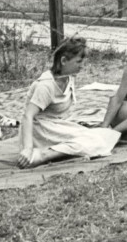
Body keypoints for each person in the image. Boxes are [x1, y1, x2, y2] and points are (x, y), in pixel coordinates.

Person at [18, 37, 120, 168]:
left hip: (54, 126)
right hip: (40, 130)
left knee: (104, 136)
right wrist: (27, 148)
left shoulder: (68, 77)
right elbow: (28, 116)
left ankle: (57, 152)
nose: (82, 65)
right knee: (94, 141)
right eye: (78, 61)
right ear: (64, 61)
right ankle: (43, 155)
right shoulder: (46, 85)